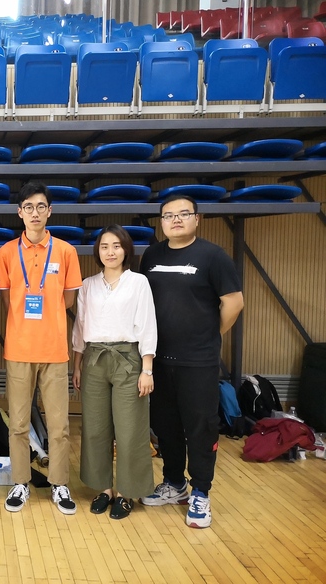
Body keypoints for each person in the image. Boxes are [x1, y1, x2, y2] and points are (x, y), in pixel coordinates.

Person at [139, 195, 244, 529]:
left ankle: (201, 491)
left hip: (198, 360)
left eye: (183, 214)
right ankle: (174, 483)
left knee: (200, 427)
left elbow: (234, 302)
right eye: (168, 215)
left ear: (197, 219)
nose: (176, 220)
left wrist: (209, 334)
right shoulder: (152, 255)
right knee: (166, 425)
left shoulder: (213, 256)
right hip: (158, 359)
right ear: (161, 222)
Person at [0, 182, 82, 515]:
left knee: (59, 425)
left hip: (54, 351)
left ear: (50, 211)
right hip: (18, 350)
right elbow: (8, 300)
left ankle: (59, 483)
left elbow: (68, 299)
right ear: (20, 212)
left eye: (41, 207)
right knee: (18, 424)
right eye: (28, 207)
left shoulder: (66, 251)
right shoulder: (7, 253)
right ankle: (21, 482)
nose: (35, 213)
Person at [71, 225, 157, 519]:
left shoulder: (139, 283)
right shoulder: (88, 285)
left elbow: (147, 325)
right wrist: (77, 365)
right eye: (104, 246)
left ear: (126, 250)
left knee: (130, 428)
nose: (110, 252)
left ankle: (126, 492)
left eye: (116, 246)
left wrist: (147, 369)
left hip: (128, 359)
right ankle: (104, 488)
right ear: (98, 251)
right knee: (95, 427)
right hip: (94, 358)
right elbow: (80, 327)